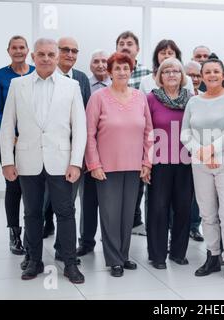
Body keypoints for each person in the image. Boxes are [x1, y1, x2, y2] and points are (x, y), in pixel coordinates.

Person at [0, 38, 87, 283]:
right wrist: (7, 161)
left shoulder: (71, 87)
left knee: (66, 213)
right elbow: (7, 125)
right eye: (41, 54)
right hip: (28, 160)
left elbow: (80, 127)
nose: (46, 58)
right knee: (31, 213)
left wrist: (76, 162)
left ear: (57, 57)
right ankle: (34, 261)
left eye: (51, 54)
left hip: (61, 160)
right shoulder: (18, 85)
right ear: (32, 57)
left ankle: (70, 263)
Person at [85, 52, 153, 277]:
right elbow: (89, 133)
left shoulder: (139, 97)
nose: (122, 72)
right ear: (110, 71)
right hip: (106, 167)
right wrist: (93, 164)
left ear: (130, 70)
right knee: (110, 214)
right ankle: (113, 259)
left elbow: (149, 132)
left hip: (134, 166)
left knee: (127, 216)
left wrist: (147, 162)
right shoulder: (99, 98)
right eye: (117, 68)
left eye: (126, 68)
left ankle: (124, 256)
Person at [181, 58, 224, 284]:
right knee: (207, 213)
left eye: (216, 71)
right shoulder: (194, 101)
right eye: (207, 72)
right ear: (201, 75)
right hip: (201, 164)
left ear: (223, 74)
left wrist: (212, 149)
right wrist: (201, 152)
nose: (211, 75)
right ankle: (213, 256)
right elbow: (185, 133)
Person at [146, 57, 194, 269]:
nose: (171, 74)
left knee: (183, 208)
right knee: (158, 208)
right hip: (159, 162)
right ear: (160, 76)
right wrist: (145, 162)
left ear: (182, 75)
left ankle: (178, 252)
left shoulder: (192, 99)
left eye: (175, 71)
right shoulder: (151, 99)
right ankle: (157, 255)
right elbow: (145, 131)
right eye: (166, 71)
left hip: (186, 161)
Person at [42, 36, 91, 239]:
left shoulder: (81, 78)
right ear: (56, 52)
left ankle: (63, 246)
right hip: (46, 150)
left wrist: (80, 155)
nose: (70, 54)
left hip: (72, 151)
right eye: (65, 50)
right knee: (44, 199)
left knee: (67, 202)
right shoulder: (43, 76)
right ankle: (45, 227)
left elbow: (84, 117)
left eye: (74, 51)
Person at [0, 35, 34, 256]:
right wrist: (11, 134)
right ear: (8, 51)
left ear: (27, 50)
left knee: (34, 186)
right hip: (8, 141)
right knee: (14, 186)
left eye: (22, 47)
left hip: (33, 139)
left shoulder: (37, 72)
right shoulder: (0, 75)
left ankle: (34, 231)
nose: (18, 51)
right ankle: (15, 233)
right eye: (14, 48)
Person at [116, 31, 153, 237]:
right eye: (122, 43)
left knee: (137, 184)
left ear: (137, 49)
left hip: (140, 138)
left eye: (130, 43)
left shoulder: (147, 75)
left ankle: (133, 221)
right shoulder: (110, 72)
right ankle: (117, 225)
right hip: (115, 139)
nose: (126, 46)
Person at [75, 50, 112, 258]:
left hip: (112, 153)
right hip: (88, 153)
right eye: (96, 61)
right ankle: (86, 241)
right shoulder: (82, 85)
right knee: (88, 200)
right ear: (90, 65)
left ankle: (111, 242)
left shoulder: (116, 87)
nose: (100, 65)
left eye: (104, 61)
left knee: (111, 203)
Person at [184, 60, 204, 242]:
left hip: (201, 152)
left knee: (198, 194)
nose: (195, 78)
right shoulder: (182, 98)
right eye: (190, 75)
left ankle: (194, 227)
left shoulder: (206, 97)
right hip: (181, 151)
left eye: (198, 75)